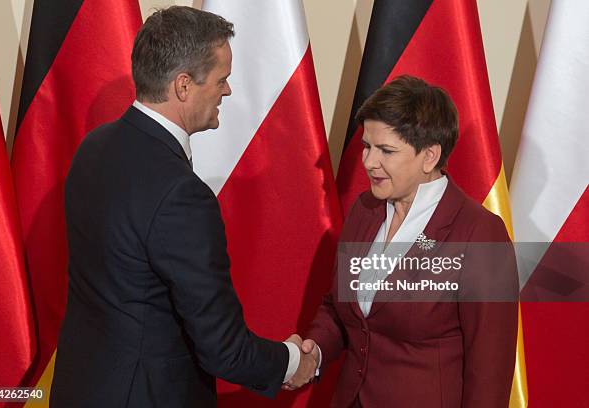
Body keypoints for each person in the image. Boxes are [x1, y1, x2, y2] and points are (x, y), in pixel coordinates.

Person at [50, 6, 317, 407]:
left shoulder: (93, 148)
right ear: (184, 86)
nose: (227, 91)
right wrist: (294, 360)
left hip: (81, 388)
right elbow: (223, 348)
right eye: (221, 79)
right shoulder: (181, 194)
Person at [297, 76, 519, 407]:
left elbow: (489, 373)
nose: (369, 162)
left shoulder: (480, 234)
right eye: (367, 147)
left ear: (429, 156)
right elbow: (340, 306)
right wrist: (313, 352)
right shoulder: (364, 210)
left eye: (386, 150)